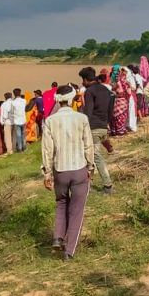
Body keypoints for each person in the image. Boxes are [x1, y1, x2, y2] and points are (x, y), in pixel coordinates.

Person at [42, 85, 95, 261]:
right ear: (73, 99)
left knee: (61, 203)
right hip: (79, 168)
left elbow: (47, 150)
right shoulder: (81, 118)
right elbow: (88, 145)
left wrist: (47, 173)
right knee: (77, 211)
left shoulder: (50, 120)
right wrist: (90, 167)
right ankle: (69, 251)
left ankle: (58, 237)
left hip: (60, 171)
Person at [79, 67, 114, 194]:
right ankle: (89, 181)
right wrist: (107, 123)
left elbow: (88, 111)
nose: (82, 83)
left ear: (85, 79)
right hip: (104, 125)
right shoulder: (106, 89)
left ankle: (108, 185)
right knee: (94, 152)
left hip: (93, 126)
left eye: (82, 80)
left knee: (95, 156)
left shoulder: (89, 91)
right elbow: (110, 109)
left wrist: (83, 126)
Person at [110, 66, 130, 136]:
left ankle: (117, 130)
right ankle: (120, 130)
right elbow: (129, 92)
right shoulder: (126, 82)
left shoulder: (118, 82)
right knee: (121, 115)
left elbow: (113, 89)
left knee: (118, 116)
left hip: (119, 100)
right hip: (123, 100)